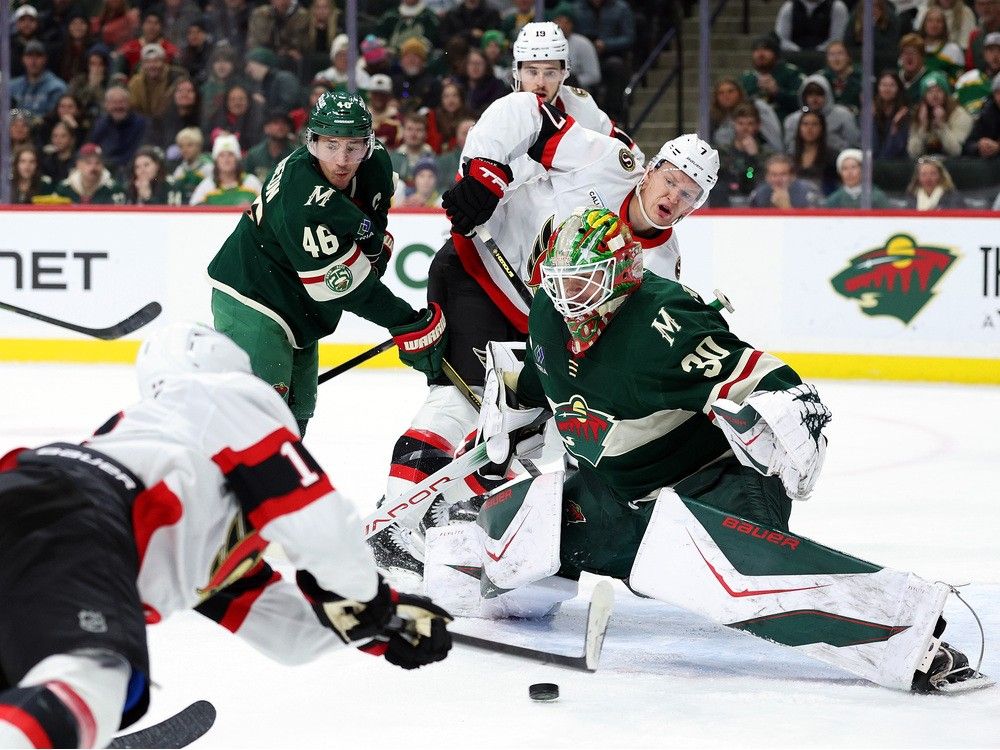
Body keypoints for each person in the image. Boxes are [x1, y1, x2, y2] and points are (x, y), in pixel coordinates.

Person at [419, 206, 990, 696]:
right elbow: (545, 378)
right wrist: (506, 404)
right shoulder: (551, 307)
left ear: (620, 275)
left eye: (584, 283)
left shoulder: (664, 323)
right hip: (619, 490)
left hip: (713, 484)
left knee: (736, 580)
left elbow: (762, 376)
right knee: (511, 540)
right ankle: (481, 569)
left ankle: (906, 635)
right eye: (561, 282)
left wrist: (792, 410)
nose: (569, 299)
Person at [0, 322, 453, 750]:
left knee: (45, 681)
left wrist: (379, 627)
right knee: (95, 675)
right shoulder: (221, 397)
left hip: (40, 511)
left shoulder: (198, 513)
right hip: (75, 513)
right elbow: (321, 527)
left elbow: (286, 634)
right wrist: (371, 598)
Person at [373, 93, 716, 580]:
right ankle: (396, 522)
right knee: (464, 404)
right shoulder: (606, 158)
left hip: (536, 322)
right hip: (480, 271)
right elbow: (526, 111)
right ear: (651, 169)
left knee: (525, 434)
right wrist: (483, 170)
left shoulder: (661, 266)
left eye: (689, 195)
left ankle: (431, 506)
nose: (673, 198)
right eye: (672, 181)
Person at [207, 91, 449, 435]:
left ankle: (288, 487)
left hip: (299, 303)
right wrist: (406, 322)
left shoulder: (377, 162)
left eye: (353, 147)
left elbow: (374, 220)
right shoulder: (302, 200)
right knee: (262, 424)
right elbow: (345, 288)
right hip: (253, 298)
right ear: (312, 143)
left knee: (298, 412)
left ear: (369, 145)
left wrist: (372, 249)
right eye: (330, 145)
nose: (341, 160)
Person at [782, 74, 860, 152]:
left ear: (828, 94)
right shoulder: (793, 120)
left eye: (819, 94)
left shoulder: (843, 115)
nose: (814, 99)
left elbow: (853, 144)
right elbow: (789, 149)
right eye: (810, 94)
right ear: (803, 96)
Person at [907, 70, 973, 157]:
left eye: (938, 91)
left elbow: (956, 152)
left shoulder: (960, 115)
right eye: (929, 91)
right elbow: (913, 153)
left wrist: (942, 126)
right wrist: (923, 126)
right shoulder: (919, 115)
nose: (934, 95)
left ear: (946, 94)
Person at [739, 34, 804, 121]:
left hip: (786, 124)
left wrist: (777, 92)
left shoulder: (791, 73)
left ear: (776, 54)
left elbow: (804, 103)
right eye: (756, 50)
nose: (760, 54)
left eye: (766, 49)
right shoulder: (747, 77)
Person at [189, 133, 262, 206]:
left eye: (230, 155)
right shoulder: (207, 185)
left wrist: (253, 208)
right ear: (216, 161)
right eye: (221, 155)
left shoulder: (251, 182)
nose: (226, 159)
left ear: (237, 159)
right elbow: (193, 210)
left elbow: (268, 207)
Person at [51, 143, 126, 204]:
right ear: (78, 165)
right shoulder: (63, 189)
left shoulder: (114, 190)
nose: (93, 167)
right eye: (88, 163)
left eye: (98, 163)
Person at [747, 153, 821, 208]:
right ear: (767, 177)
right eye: (773, 175)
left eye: (783, 174)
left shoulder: (809, 192)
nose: (778, 179)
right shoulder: (758, 194)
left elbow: (814, 224)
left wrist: (787, 208)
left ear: (792, 176)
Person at [823, 148, 890, 207]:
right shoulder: (833, 201)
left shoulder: (877, 198)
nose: (849, 173)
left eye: (853, 167)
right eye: (845, 168)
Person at [773, 0, 849, 53]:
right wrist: (799, 51)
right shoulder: (789, 7)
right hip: (794, 55)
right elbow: (780, 38)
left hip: (826, 56)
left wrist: (816, 52)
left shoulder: (837, 7)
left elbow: (837, 39)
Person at [955, 32, 1000, 116]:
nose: (995, 55)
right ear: (984, 53)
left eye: (999, 50)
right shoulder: (967, 80)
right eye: (991, 50)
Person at [873, 70, 912, 158]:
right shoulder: (871, 112)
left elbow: (895, 150)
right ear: (878, 88)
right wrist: (871, 120)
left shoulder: (904, 114)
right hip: (874, 164)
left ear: (898, 88)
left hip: (898, 164)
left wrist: (895, 125)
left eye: (892, 85)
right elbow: (872, 149)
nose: (887, 89)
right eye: (883, 85)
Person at [963, 73, 1000, 158]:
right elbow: (967, 146)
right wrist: (979, 147)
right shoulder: (988, 113)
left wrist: (998, 147)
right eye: (998, 93)